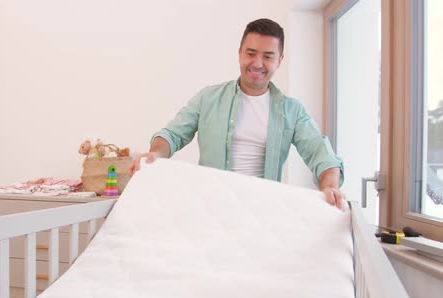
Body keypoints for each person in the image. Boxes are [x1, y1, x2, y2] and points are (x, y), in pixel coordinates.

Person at [129, 18, 345, 209]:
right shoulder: (207, 98)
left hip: (262, 211)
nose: (258, 63)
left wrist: (329, 186)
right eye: (251, 53)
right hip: (210, 206)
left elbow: (321, 153)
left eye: (268, 56)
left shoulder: (292, 110)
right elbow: (173, 135)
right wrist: (156, 153)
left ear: (279, 60)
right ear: (240, 53)